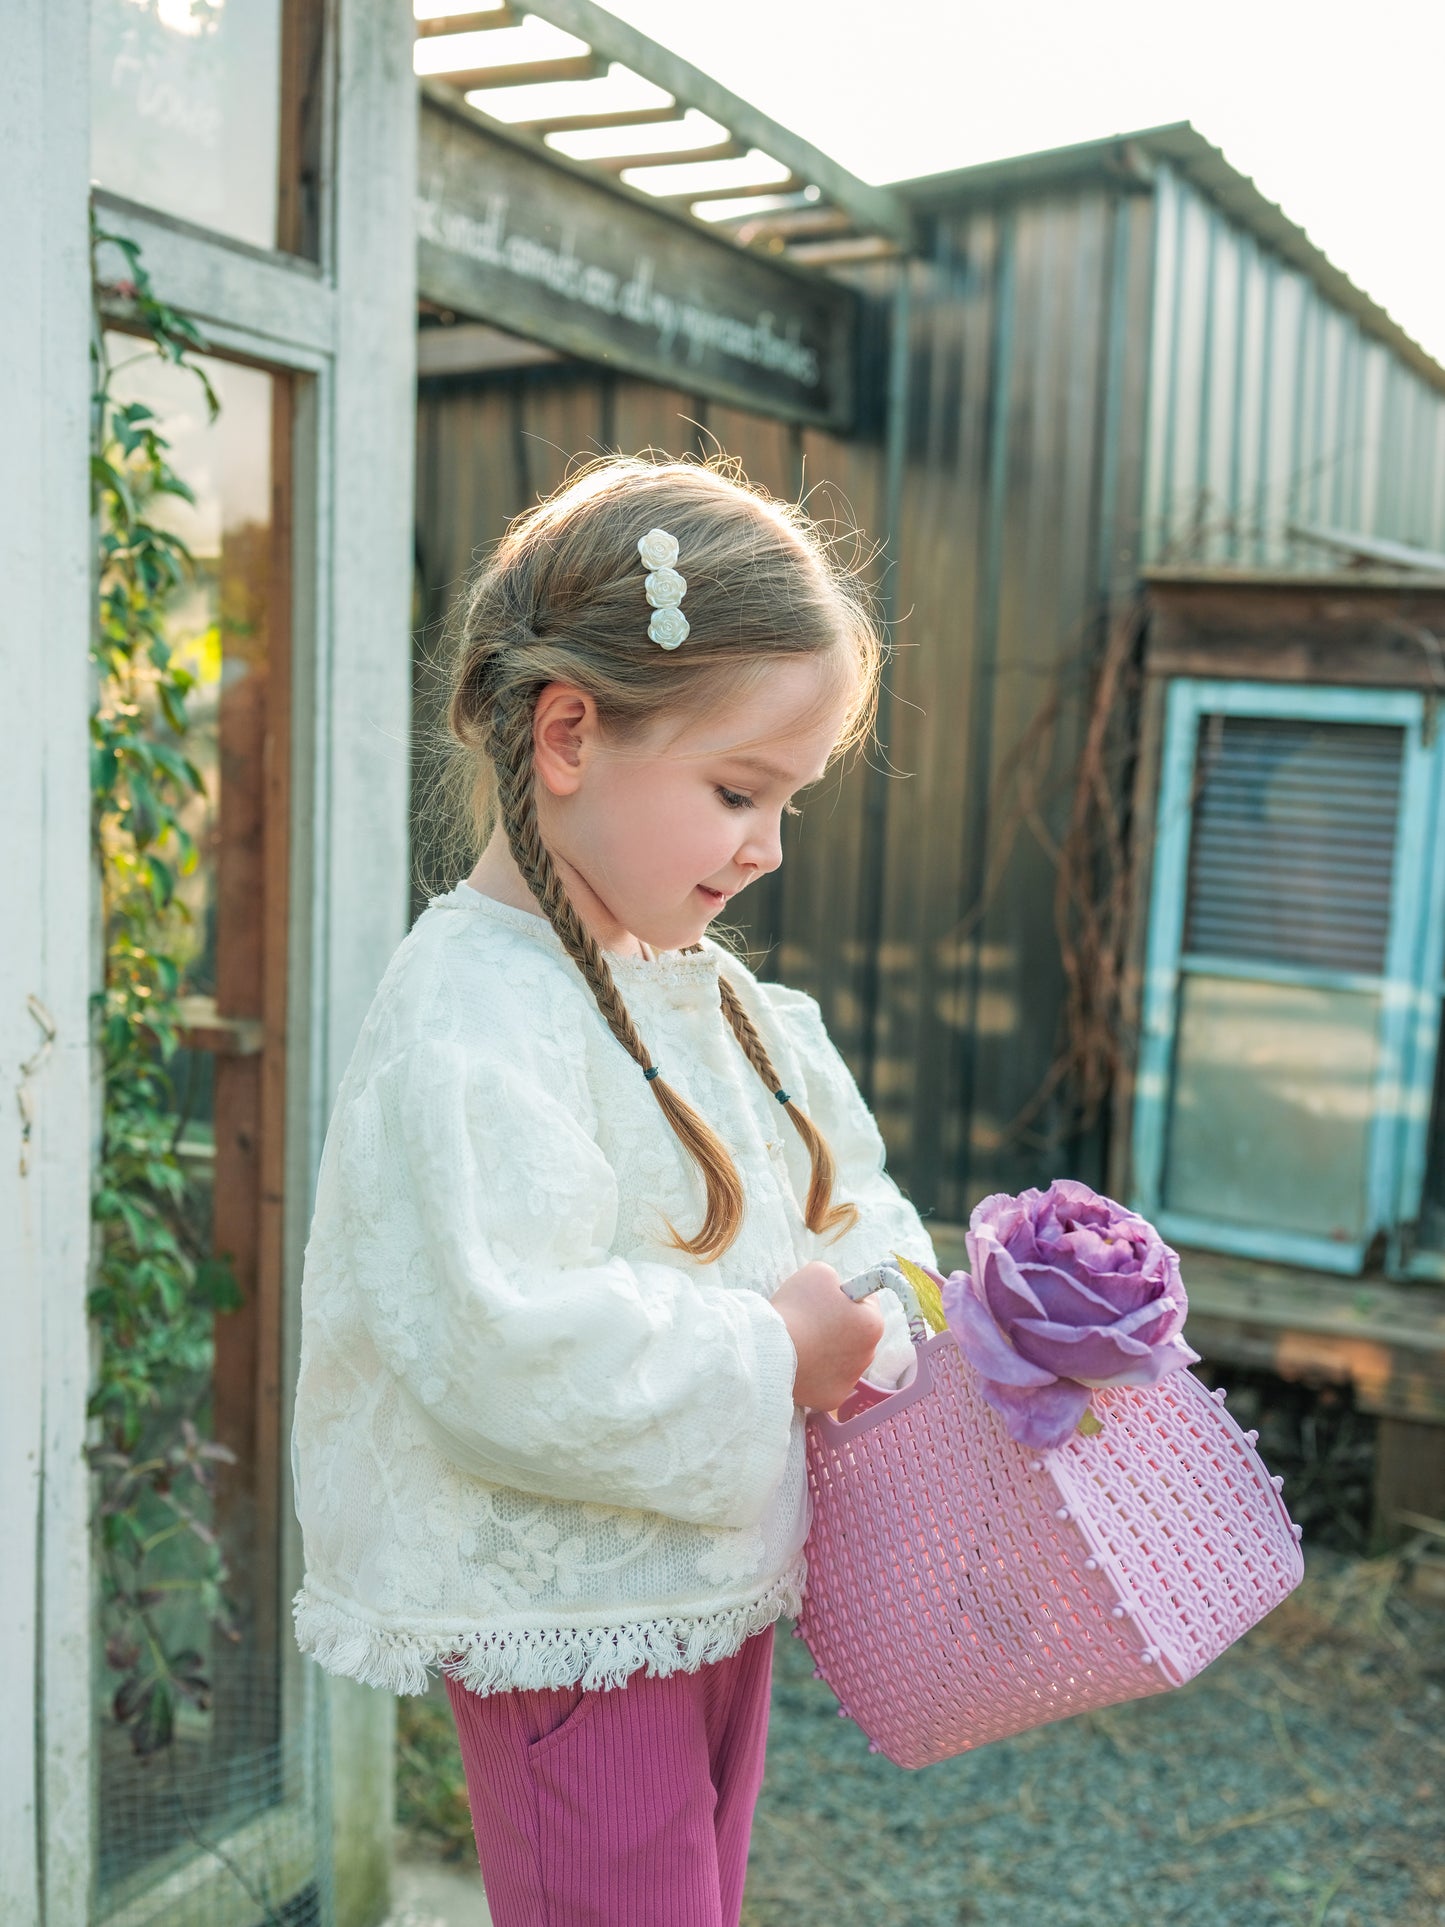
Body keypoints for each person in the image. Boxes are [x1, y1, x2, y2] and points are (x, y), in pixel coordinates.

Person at [291, 455, 938, 1926]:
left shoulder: (713, 1003)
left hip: (707, 1588)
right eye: (736, 790)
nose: (766, 847)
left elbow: (856, 1213)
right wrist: (778, 1351)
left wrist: (899, 1311)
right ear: (568, 733)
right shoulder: (471, 1018)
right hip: (572, 1628)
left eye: (788, 801)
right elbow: (502, 1342)